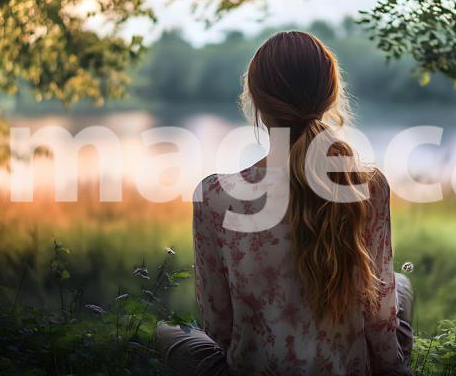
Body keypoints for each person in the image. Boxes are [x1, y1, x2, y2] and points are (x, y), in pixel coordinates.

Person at [156, 31, 414, 376]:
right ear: (331, 95)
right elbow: (380, 315)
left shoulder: (215, 195)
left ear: (256, 99)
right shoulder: (367, 186)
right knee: (400, 287)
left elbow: (218, 327)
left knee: (166, 332)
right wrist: (395, 371)